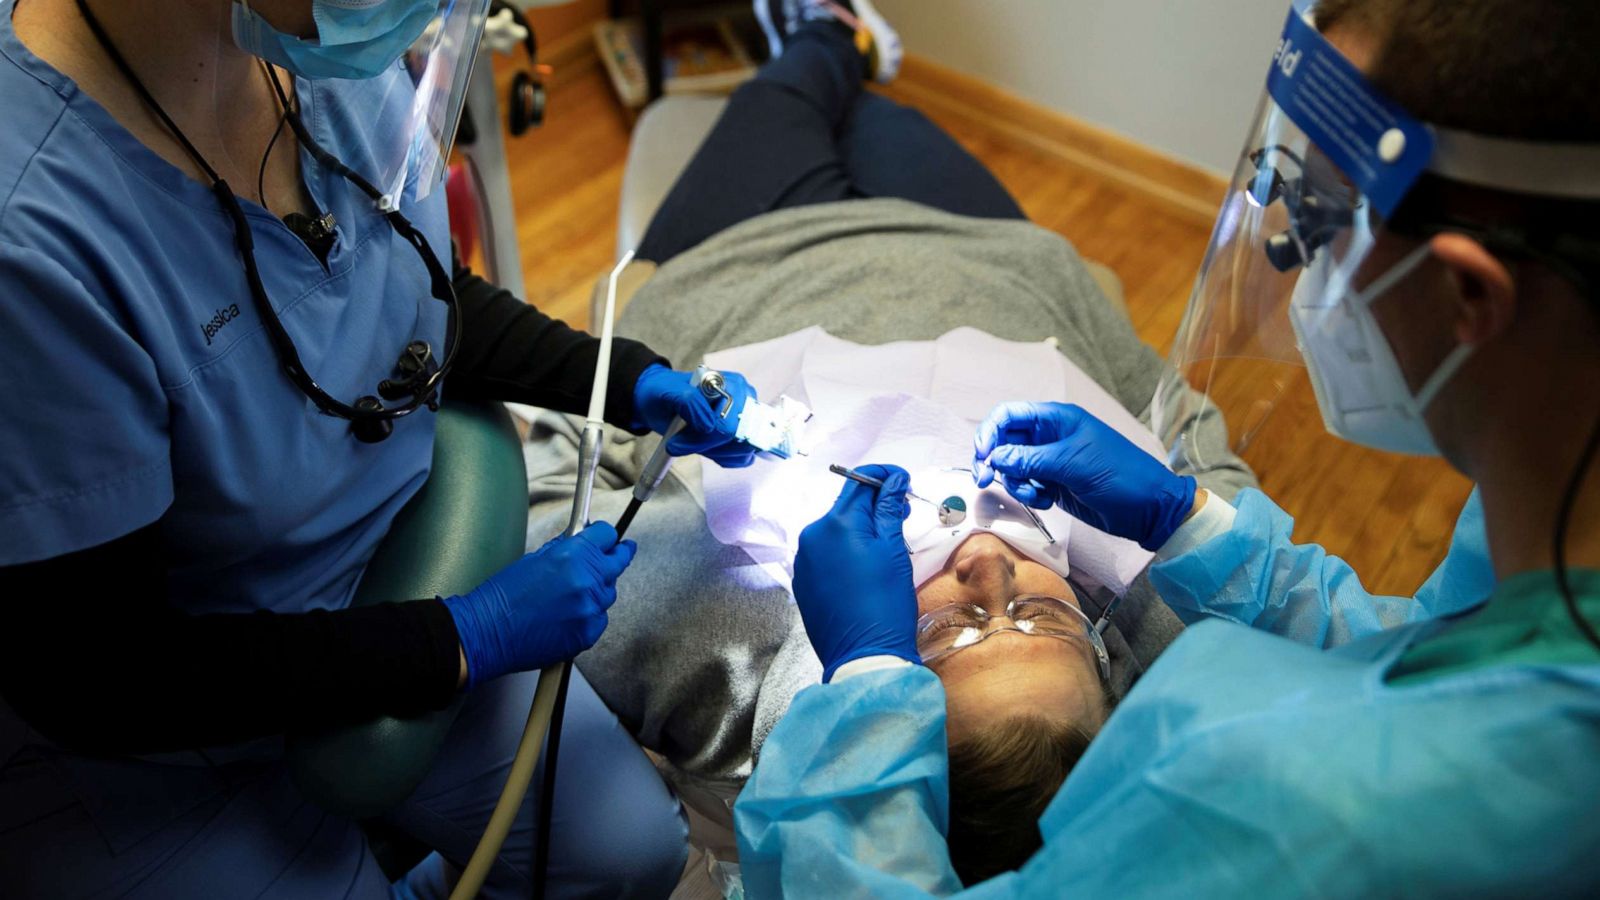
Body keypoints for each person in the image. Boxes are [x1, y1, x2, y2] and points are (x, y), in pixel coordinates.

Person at [733, 0, 1600, 895]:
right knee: (848, 115)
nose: (1300, 258)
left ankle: (823, 40)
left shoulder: (1317, 823)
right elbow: (1427, 656)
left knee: (807, 118)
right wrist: (1193, 522)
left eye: (1324, 217)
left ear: (1470, 294)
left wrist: (869, 685)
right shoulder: (1552, 557)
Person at [0, 0, 761, 896]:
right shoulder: (36, 247)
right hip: (164, 745)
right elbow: (100, 676)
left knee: (626, 850)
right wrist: (464, 637)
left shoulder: (311, 57)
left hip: (384, 585)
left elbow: (402, 277)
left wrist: (622, 379)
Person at [516, 0, 1268, 883]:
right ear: (1104, 648)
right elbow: (1203, 466)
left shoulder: (709, 644)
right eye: (1042, 615)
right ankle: (838, 41)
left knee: (795, 91)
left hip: (750, 255)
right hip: (995, 253)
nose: (992, 574)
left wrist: (639, 387)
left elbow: (544, 494)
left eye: (951, 631)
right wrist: (1177, 510)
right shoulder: (1163, 601)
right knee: (874, 113)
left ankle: (826, 30)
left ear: (862, 695)